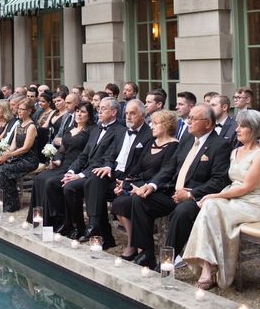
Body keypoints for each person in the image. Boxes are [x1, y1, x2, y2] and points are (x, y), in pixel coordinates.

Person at [127, 103, 231, 269]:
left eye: (193, 119)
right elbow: (170, 166)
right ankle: (146, 253)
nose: (188, 122)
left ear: (208, 123)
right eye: (188, 118)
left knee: (182, 211)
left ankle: (169, 258)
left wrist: (190, 194)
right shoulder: (188, 139)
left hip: (197, 197)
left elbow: (219, 180)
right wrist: (152, 185)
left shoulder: (220, 145)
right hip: (173, 192)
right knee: (140, 200)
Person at [183, 109, 260, 289]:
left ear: (253, 129)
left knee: (210, 205)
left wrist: (214, 195)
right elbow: (229, 182)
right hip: (233, 198)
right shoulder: (235, 151)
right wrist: (211, 196)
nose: (237, 129)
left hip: (252, 203)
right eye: (237, 125)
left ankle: (209, 267)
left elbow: (246, 187)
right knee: (210, 206)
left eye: (242, 126)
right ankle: (208, 266)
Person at [79, 99, 154, 247]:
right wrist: (107, 166)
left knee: (94, 188)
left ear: (143, 115)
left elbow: (143, 164)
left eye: (133, 113)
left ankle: (105, 235)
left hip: (130, 177)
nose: (128, 117)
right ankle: (95, 225)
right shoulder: (122, 131)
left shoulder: (148, 135)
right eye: (126, 113)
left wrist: (126, 182)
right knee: (94, 180)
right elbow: (111, 154)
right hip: (115, 172)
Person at [54, 97, 124, 241]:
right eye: (99, 108)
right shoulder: (96, 129)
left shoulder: (120, 131)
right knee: (66, 184)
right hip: (89, 171)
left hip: (104, 174)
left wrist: (80, 176)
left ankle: (92, 227)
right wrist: (71, 171)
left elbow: (108, 159)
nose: (99, 111)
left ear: (114, 112)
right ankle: (79, 227)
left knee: (71, 187)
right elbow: (83, 155)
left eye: (103, 108)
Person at [111, 110, 179, 260]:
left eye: (155, 123)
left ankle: (145, 250)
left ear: (166, 126)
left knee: (138, 201)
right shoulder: (151, 142)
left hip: (161, 192)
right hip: (141, 186)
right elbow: (138, 168)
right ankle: (132, 244)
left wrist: (139, 188)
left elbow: (165, 174)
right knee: (119, 203)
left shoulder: (174, 146)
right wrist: (126, 184)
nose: (151, 126)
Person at [27, 101, 93, 227]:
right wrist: (57, 160)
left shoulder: (91, 131)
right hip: (62, 164)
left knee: (49, 181)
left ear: (89, 115)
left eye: (83, 112)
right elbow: (62, 150)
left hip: (77, 166)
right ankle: (39, 218)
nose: (79, 114)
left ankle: (57, 219)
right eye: (77, 111)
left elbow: (87, 154)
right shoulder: (70, 129)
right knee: (39, 178)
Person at [0, 98, 38, 212]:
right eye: (19, 109)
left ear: (29, 111)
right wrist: (2, 155)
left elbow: (25, 148)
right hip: (17, 157)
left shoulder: (31, 126)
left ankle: (11, 204)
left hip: (28, 160)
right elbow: (13, 145)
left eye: (23, 110)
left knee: (2, 171)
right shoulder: (18, 125)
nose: (19, 112)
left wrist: (9, 156)